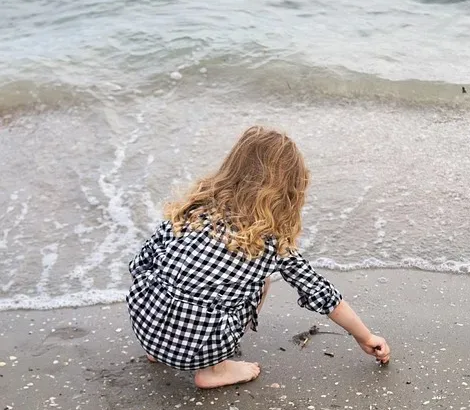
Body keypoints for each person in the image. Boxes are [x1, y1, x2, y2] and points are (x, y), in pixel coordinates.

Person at [127, 126, 390, 389]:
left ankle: (159, 349)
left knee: (172, 275)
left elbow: (142, 260)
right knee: (261, 282)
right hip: (198, 345)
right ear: (286, 190)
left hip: (146, 322)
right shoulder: (269, 242)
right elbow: (319, 292)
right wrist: (365, 336)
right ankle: (214, 370)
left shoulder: (194, 209)